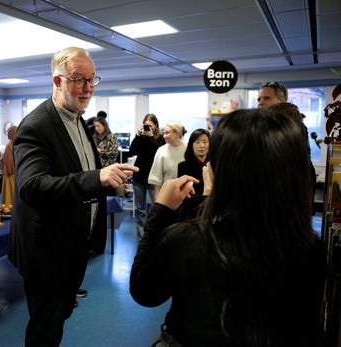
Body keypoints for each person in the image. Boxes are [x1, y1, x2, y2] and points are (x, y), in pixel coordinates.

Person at [130, 108, 325, 347]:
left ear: (226, 168)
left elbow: (144, 291)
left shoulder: (187, 239)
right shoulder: (308, 245)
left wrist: (160, 211)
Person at [9, 46, 137, 347]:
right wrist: (96, 178)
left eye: (93, 79)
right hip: (47, 253)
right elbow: (31, 186)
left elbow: (74, 170)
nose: (88, 88)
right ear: (57, 81)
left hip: (70, 248)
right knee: (45, 331)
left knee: (59, 318)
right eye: (79, 79)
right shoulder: (36, 126)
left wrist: (107, 177)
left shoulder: (78, 118)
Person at [129, 113, 165, 239]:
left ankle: (154, 236)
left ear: (155, 125)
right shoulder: (141, 137)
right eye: (146, 125)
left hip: (153, 179)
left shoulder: (160, 139)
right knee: (141, 211)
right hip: (139, 177)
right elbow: (132, 151)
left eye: (150, 125)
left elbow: (158, 153)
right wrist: (138, 136)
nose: (148, 128)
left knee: (155, 210)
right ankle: (141, 238)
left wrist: (150, 138)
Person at [148, 123, 187, 196]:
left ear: (177, 133)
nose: (164, 136)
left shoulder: (188, 149)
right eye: (164, 133)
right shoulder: (161, 151)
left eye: (167, 133)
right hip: (167, 193)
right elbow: (156, 177)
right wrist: (157, 197)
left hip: (186, 193)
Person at [177, 128, 210, 196]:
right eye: (197, 142)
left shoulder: (215, 165)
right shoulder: (183, 166)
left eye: (205, 142)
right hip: (192, 204)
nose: (202, 146)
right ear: (191, 145)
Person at [1, 125, 17, 206]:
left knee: (10, 192)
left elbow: (7, 161)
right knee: (11, 192)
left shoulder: (10, 145)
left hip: (11, 174)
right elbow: (9, 161)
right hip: (12, 174)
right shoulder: (12, 145)